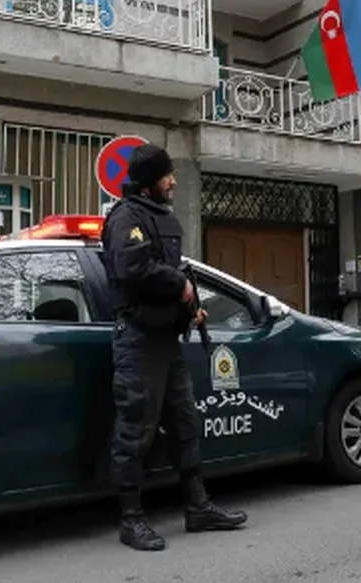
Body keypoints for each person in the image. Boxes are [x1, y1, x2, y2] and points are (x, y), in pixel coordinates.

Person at [101, 143, 247, 551]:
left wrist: (189, 310)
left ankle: (198, 508)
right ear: (151, 180)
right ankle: (131, 520)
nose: (173, 181)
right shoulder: (126, 217)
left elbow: (165, 271)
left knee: (185, 424)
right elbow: (133, 267)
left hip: (166, 339)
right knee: (135, 431)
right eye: (168, 175)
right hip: (138, 341)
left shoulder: (157, 215)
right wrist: (179, 283)